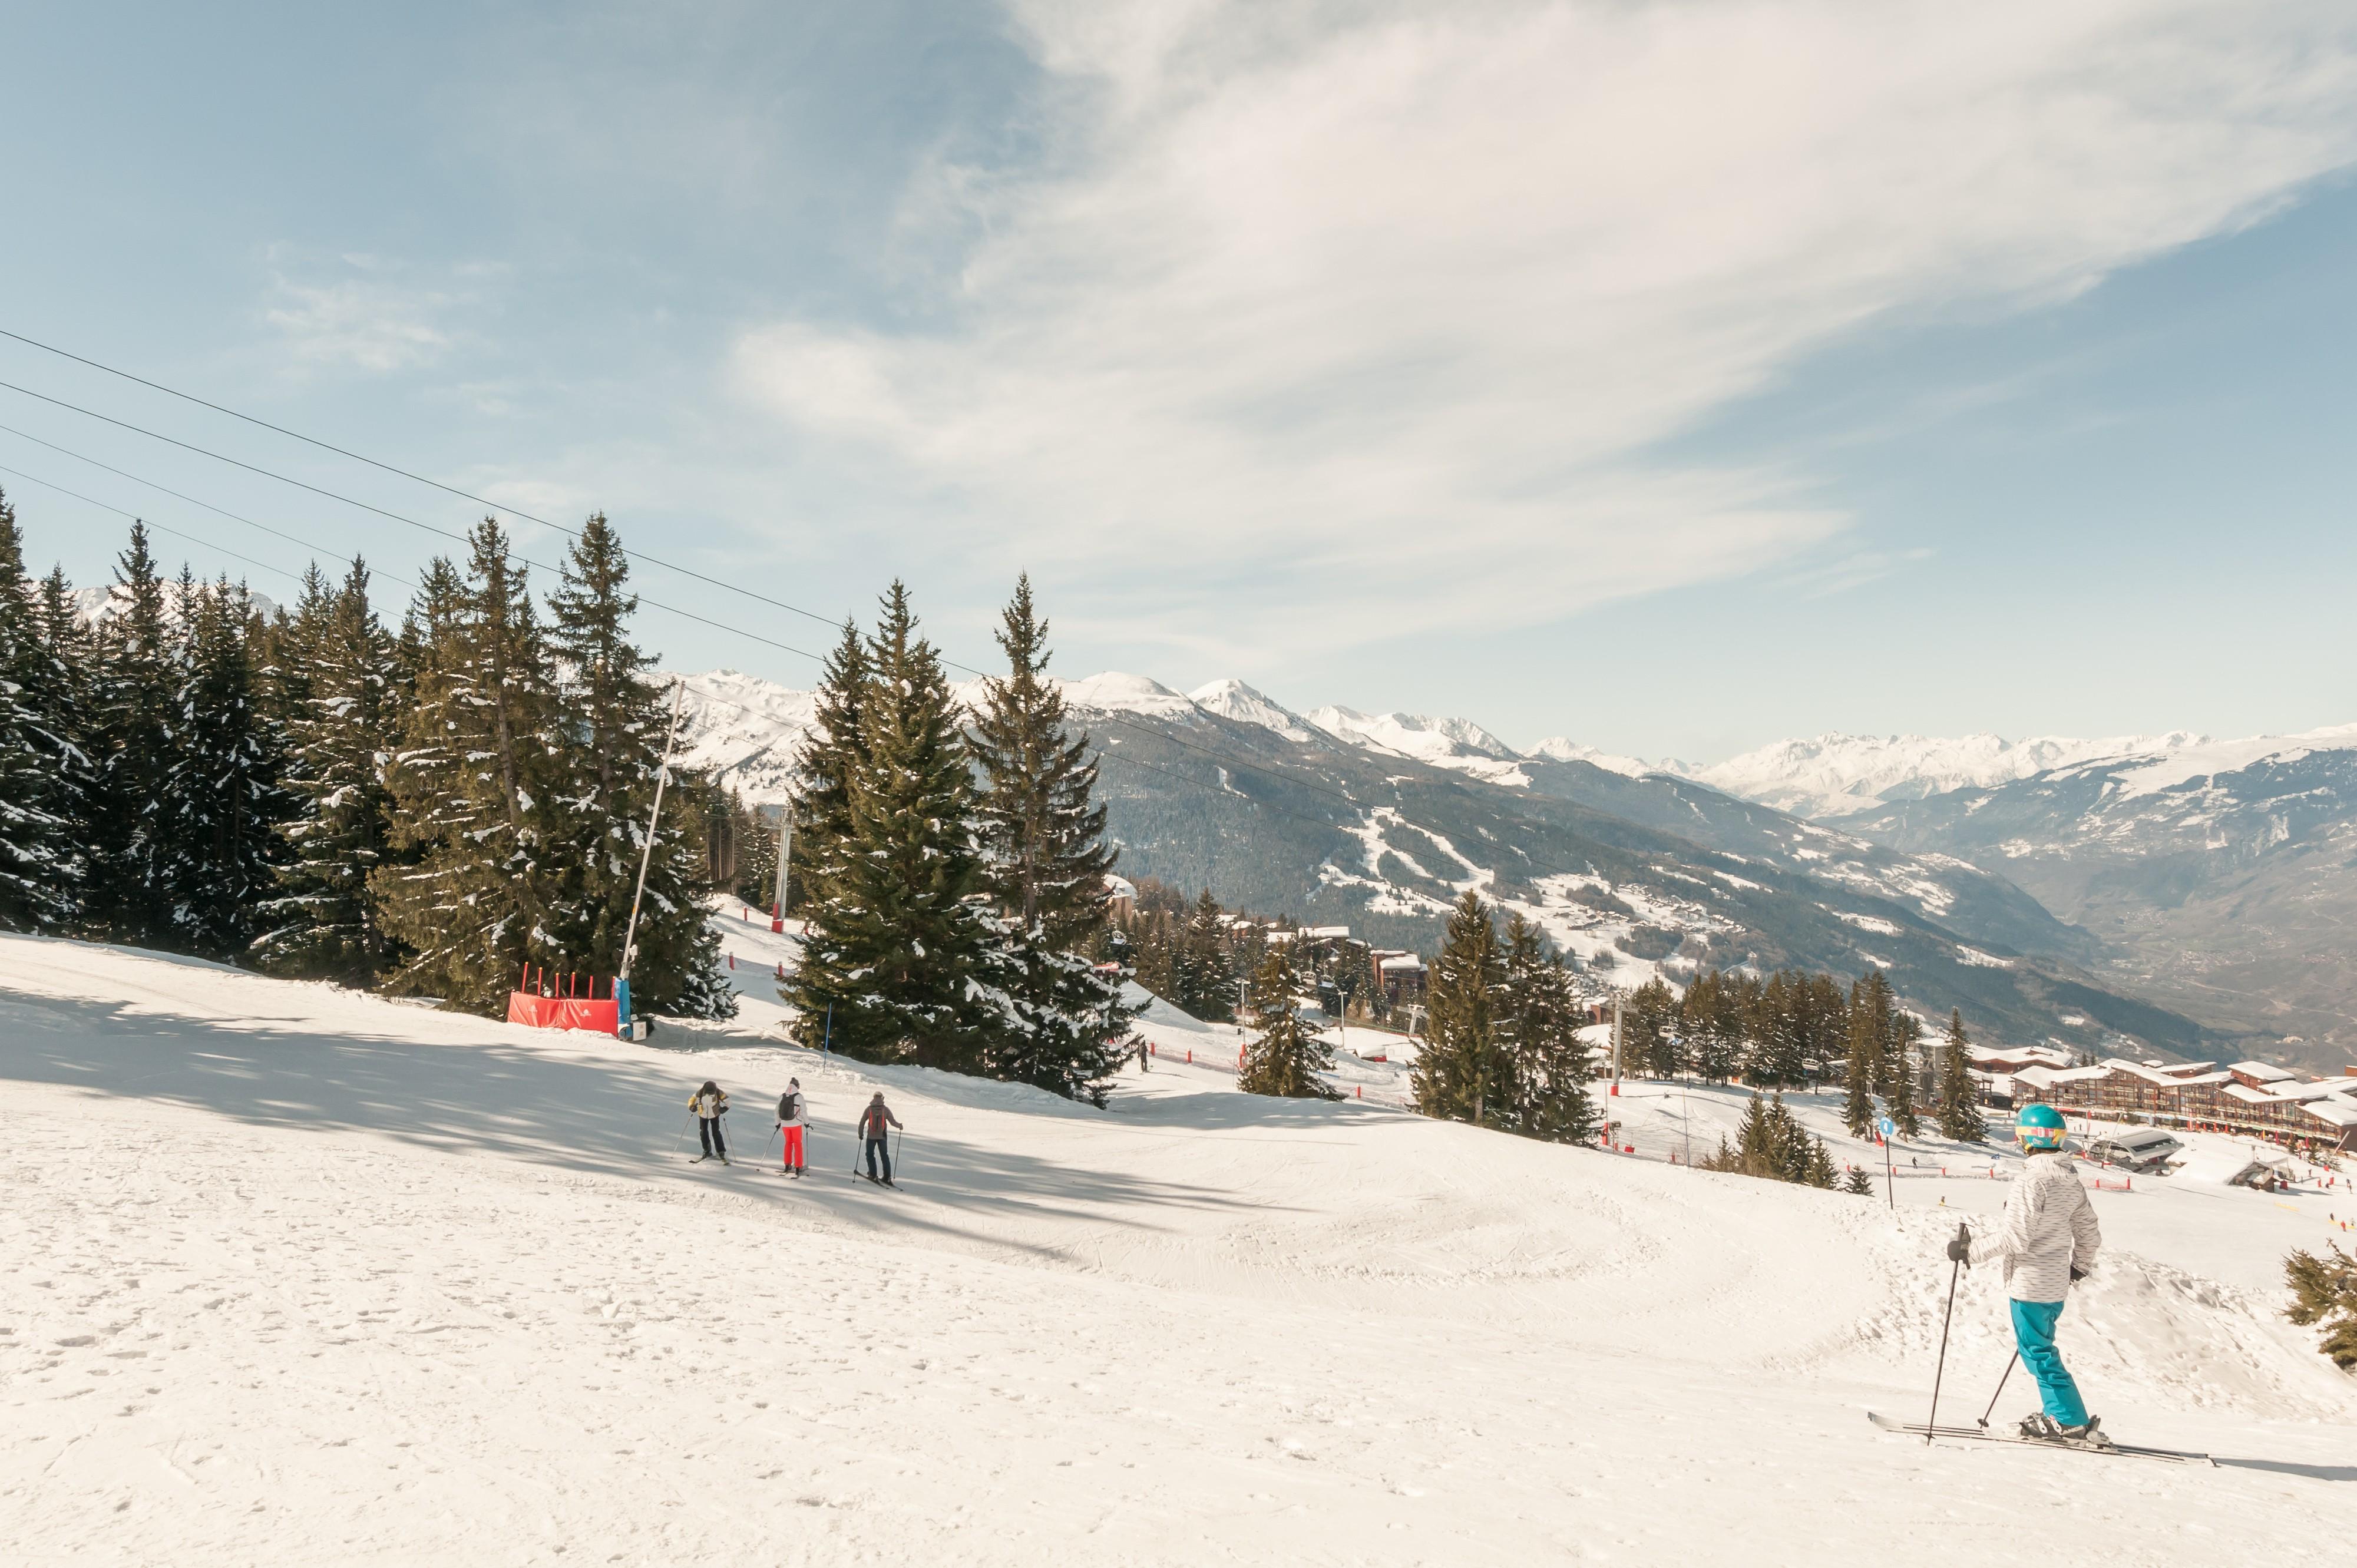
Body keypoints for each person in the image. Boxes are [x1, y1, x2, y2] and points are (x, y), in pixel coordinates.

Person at [1952, 1103, 2104, 1445]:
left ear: (2025, 1139)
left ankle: (2067, 1419)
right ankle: (2064, 1414)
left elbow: (2016, 1237)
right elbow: (2089, 1232)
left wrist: (1969, 1252)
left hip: (2030, 1283)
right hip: (2055, 1285)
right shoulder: (2069, 1180)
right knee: (2042, 1348)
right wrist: (2079, 1265)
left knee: (2037, 1353)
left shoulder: (2031, 1180)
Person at [858, 1091, 901, 1185]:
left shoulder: (869, 1109)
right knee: (884, 1156)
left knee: (870, 1155)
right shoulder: (885, 1110)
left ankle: (873, 1175)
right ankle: (887, 1177)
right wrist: (900, 1126)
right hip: (882, 1137)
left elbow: (862, 1122)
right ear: (882, 1098)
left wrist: (860, 1134)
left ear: (874, 1098)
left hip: (871, 1137)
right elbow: (893, 1122)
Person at [689, 1080, 729, 1165]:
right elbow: (692, 1100)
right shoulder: (700, 1093)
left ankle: (721, 1151)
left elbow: (728, 1100)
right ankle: (707, 1150)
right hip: (703, 1115)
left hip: (715, 1114)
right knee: (703, 1133)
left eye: (712, 1092)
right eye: (709, 1092)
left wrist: (725, 1108)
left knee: (716, 1133)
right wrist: (692, 1107)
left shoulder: (718, 1092)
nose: (711, 1094)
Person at [776, 1078, 808, 1178]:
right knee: (798, 1144)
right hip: (796, 1124)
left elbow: (777, 1110)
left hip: (785, 1124)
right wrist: (807, 1123)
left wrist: (778, 1123)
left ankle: (787, 1164)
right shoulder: (799, 1097)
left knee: (788, 1143)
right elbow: (804, 1111)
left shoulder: (782, 1096)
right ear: (797, 1086)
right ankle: (798, 1167)